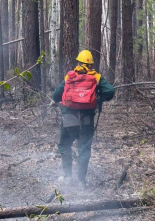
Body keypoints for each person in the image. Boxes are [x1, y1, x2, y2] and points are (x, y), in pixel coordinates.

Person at [52, 50, 115, 188]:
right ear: (90, 64)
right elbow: (110, 91)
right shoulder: (96, 77)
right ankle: (81, 181)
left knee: (64, 146)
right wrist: (99, 99)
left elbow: (56, 95)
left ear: (78, 62)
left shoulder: (70, 77)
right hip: (87, 120)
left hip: (69, 118)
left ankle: (68, 177)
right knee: (84, 149)